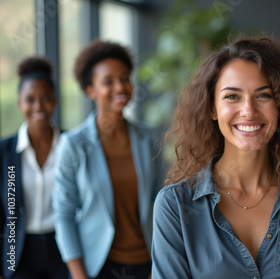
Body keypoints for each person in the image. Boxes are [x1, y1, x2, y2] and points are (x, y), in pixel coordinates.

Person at [151, 37, 280, 279]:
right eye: (232, 96)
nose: (248, 110)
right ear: (212, 108)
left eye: (263, 95)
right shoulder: (175, 206)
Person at [52, 40, 163, 279]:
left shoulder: (147, 138)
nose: (120, 87)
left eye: (125, 78)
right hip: (98, 266)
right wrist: (79, 275)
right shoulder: (72, 145)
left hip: (149, 263)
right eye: (108, 82)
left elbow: (159, 200)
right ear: (90, 90)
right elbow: (63, 214)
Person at [0, 57, 68, 278]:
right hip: (17, 252)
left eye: (45, 98)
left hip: (64, 247)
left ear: (55, 100)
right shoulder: (4, 152)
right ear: (19, 103)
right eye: (30, 99)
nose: (38, 106)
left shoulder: (70, 146)